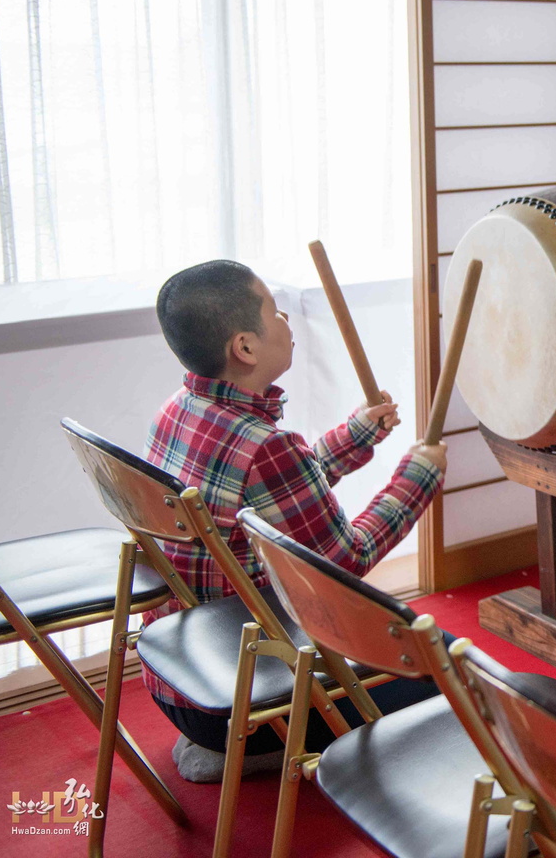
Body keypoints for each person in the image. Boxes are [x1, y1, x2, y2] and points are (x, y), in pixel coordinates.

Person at [145, 259, 446, 782]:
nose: (287, 321)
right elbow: (344, 563)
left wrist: (356, 434)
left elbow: (273, 493)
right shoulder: (266, 446)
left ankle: (229, 744)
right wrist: (418, 476)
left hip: (182, 680)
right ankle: (263, 748)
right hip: (243, 704)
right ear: (245, 347)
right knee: (439, 667)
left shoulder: (178, 409)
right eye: (276, 312)